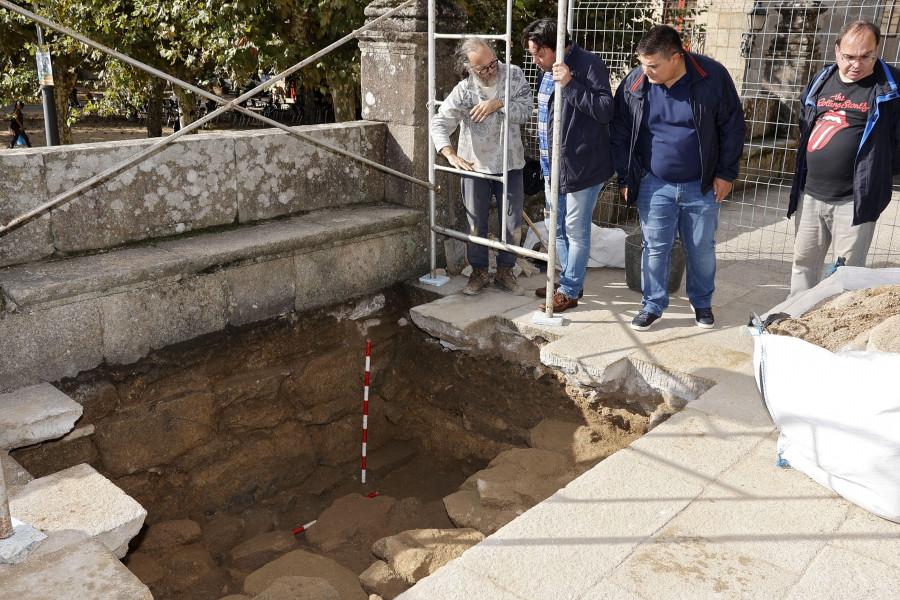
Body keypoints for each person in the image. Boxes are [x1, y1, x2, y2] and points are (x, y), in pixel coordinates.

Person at [611, 25, 745, 331]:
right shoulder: (636, 81)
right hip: (653, 182)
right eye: (642, 64)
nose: (646, 72)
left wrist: (726, 173)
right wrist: (626, 177)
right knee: (655, 246)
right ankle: (653, 304)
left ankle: (701, 303)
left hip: (702, 183)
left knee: (700, 247)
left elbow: (732, 126)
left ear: (676, 57)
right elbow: (619, 130)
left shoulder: (711, 76)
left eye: (653, 66)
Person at [787, 20, 900, 297]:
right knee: (803, 264)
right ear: (837, 50)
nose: (856, 64)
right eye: (849, 56)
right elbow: (805, 123)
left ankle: (835, 326)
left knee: (847, 273)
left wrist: (884, 170)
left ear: (877, 50)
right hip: (811, 193)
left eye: (866, 56)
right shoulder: (820, 80)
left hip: (855, 199)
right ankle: (794, 318)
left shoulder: (892, 86)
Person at [522, 17, 615, 312]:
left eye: (539, 53)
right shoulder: (546, 69)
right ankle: (568, 283)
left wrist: (571, 84)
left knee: (575, 228)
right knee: (554, 226)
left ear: (558, 47)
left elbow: (605, 110)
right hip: (553, 166)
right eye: (532, 54)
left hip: (582, 165)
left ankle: (570, 289)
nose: (535, 60)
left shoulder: (589, 64)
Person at [431, 38, 534, 295]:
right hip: (475, 165)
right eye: (483, 69)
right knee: (475, 222)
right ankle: (478, 272)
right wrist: (449, 152)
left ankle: (504, 271)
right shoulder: (464, 90)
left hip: (511, 162)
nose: (491, 70)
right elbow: (440, 122)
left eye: (493, 63)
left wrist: (498, 103)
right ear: (469, 69)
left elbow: (526, 112)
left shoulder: (514, 75)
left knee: (510, 222)